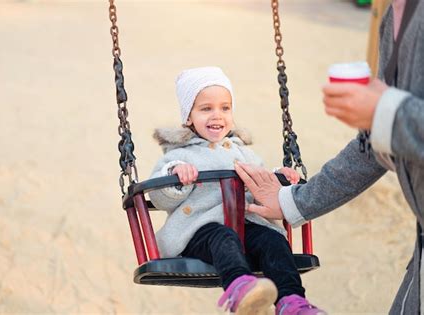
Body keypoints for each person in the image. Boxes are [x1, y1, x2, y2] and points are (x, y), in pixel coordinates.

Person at [234, 1, 424, 313]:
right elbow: (374, 146)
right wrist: (291, 201)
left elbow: (389, 118)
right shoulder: (393, 16)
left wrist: (385, 111)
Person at [148, 66, 326, 315]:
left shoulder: (243, 152)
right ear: (188, 117)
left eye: (225, 108)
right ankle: (240, 289)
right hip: (200, 232)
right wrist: (177, 176)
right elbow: (158, 194)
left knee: (273, 240)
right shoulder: (179, 154)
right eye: (206, 108)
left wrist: (281, 176)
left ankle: (292, 302)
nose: (217, 116)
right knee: (223, 237)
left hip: (246, 227)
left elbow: (261, 180)